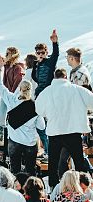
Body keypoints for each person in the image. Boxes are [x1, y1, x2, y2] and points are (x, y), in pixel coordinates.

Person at [35, 68, 93, 188]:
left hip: (55, 132)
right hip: (73, 132)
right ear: (66, 77)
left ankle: (53, 187)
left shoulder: (47, 91)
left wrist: (48, 113)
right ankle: (82, 186)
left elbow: (38, 110)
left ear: (54, 78)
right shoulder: (77, 89)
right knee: (79, 162)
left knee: (53, 163)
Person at [0, 57, 45, 175]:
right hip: (30, 143)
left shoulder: (11, 99)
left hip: (14, 141)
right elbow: (41, 127)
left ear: (19, 89)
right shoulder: (35, 106)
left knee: (14, 171)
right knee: (30, 171)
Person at [32, 29, 59, 158]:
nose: (41, 54)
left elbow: (56, 54)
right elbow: (35, 78)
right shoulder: (36, 64)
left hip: (49, 94)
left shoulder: (50, 62)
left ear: (46, 52)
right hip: (39, 95)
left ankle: (50, 151)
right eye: (39, 53)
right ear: (36, 54)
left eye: (43, 52)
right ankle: (45, 149)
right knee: (39, 124)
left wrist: (55, 43)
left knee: (49, 124)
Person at [0, 44, 25, 129]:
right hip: (5, 95)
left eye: (7, 54)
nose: (5, 55)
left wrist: (11, 95)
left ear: (12, 55)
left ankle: (12, 134)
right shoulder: (6, 64)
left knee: (13, 117)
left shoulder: (18, 68)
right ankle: (3, 134)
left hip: (13, 97)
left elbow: (18, 82)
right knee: (2, 115)